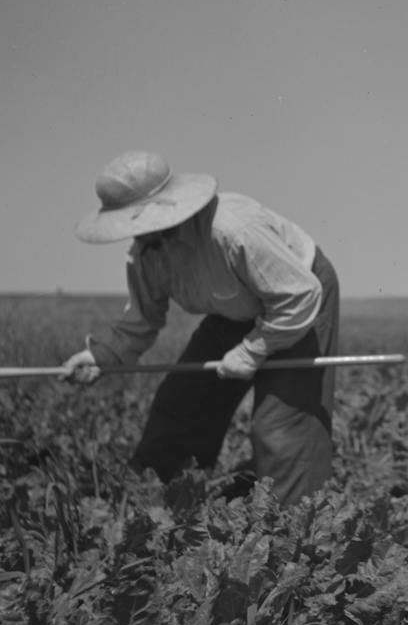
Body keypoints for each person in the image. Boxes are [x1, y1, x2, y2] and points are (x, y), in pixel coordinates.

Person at [61, 150, 339, 507]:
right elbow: (142, 318)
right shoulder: (147, 253)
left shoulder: (233, 230)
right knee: (181, 401)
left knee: (280, 427)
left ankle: (295, 526)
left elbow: (298, 295)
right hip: (233, 309)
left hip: (298, 298)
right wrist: (101, 355)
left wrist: (253, 350)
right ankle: (156, 502)